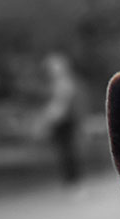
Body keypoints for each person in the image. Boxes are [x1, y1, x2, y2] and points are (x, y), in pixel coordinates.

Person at [39, 53, 82, 184]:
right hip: (59, 121)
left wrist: (48, 119)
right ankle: (70, 180)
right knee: (63, 150)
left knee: (68, 150)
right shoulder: (55, 84)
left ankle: (73, 181)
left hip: (65, 120)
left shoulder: (65, 83)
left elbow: (61, 104)